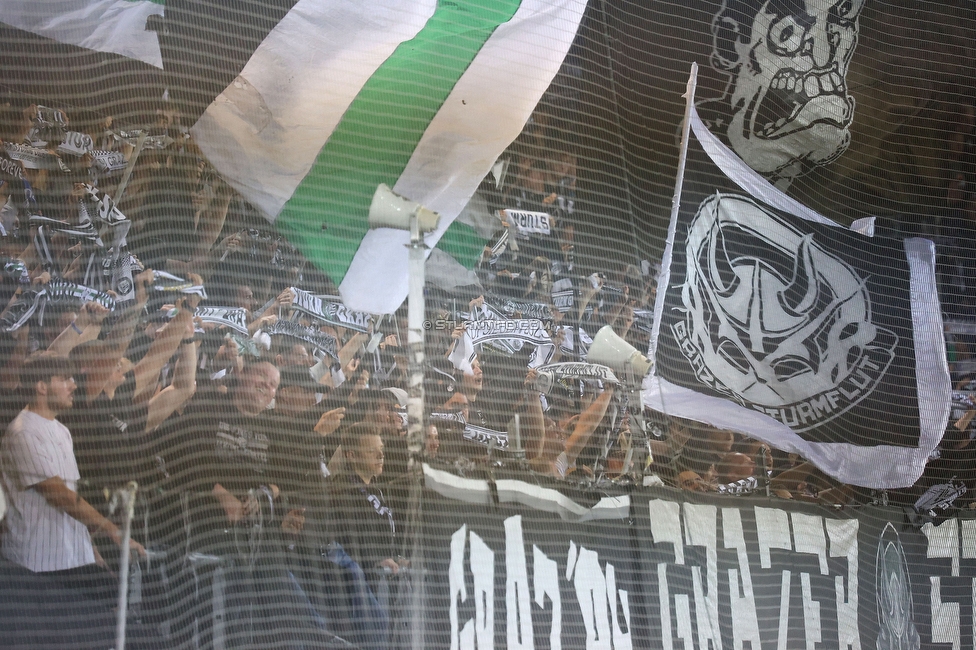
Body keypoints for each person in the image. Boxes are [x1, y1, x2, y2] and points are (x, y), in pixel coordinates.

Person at [0, 353, 145, 643]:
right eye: (64, 379)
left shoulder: (63, 431)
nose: (74, 385)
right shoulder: (23, 432)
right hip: (37, 566)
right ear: (41, 386)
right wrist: (114, 531)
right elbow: (61, 497)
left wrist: (89, 547)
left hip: (72, 557)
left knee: (108, 610)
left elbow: (72, 495)